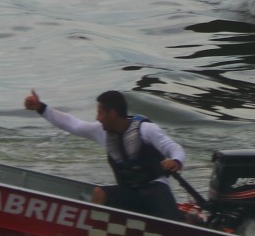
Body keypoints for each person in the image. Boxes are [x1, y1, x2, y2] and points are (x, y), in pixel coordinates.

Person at [23, 89, 185, 221]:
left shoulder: (146, 130)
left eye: (100, 113)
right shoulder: (101, 131)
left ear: (112, 114)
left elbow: (174, 148)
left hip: (155, 189)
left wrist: (175, 161)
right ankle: (93, 232)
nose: (97, 118)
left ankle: (188, 219)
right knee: (100, 193)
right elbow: (72, 124)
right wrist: (40, 107)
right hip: (129, 192)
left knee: (175, 226)